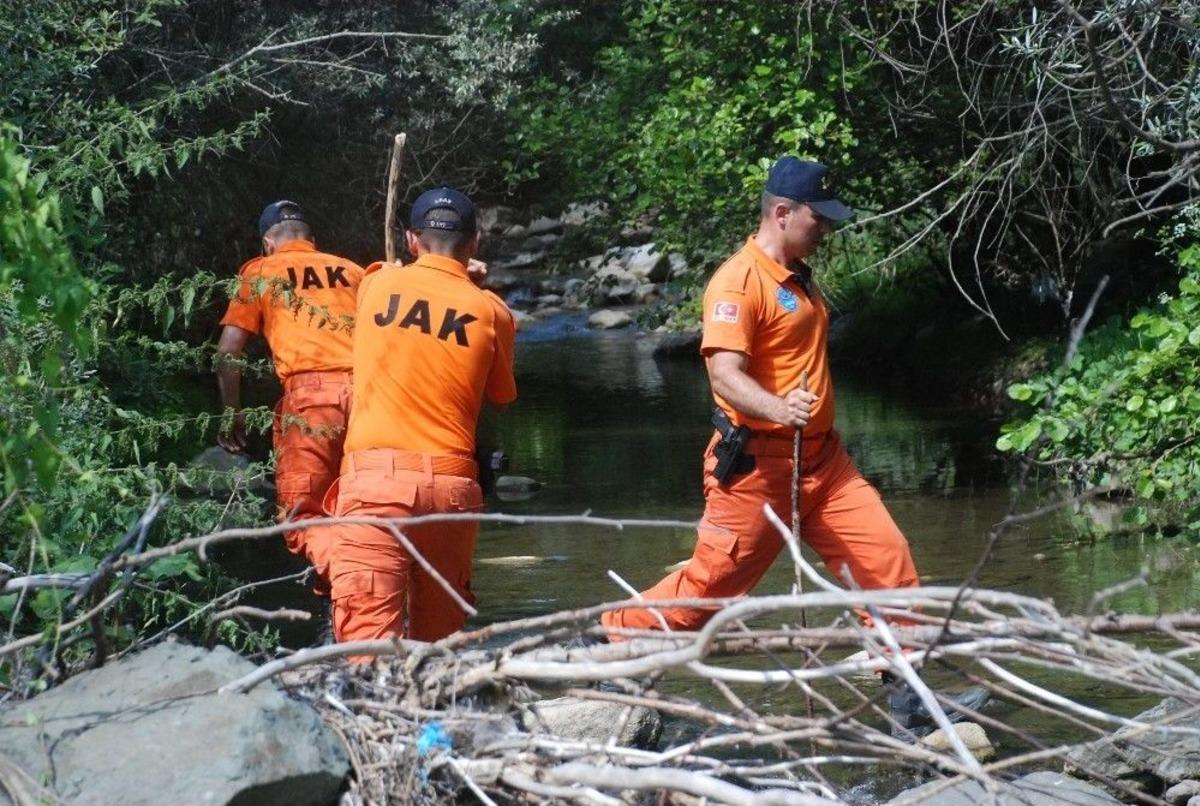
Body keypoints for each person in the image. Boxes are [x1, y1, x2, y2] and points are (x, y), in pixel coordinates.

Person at [598, 157, 986, 736]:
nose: (826, 230)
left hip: (824, 463)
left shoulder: (798, 273)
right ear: (781, 213)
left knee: (888, 560)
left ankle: (914, 707)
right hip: (757, 467)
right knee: (711, 589)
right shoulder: (737, 282)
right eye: (817, 219)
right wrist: (779, 409)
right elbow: (725, 375)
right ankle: (611, 638)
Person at [325, 186, 516, 644]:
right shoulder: (492, 313)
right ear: (475, 243)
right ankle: (435, 716)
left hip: (377, 486)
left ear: (412, 241)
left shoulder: (374, 284)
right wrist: (476, 287)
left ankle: (377, 716)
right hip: (451, 490)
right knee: (439, 648)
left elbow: (392, 278)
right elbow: (500, 396)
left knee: (367, 648)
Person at [216, 200, 364, 592]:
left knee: (304, 515)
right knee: (365, 512)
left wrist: (232, 413)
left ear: (267, 243)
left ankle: (356, 591)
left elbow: (229, 351)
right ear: (312, 241)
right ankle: (365, 601)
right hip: (372, 398)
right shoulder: (351, 270)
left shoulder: (260, 272)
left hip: (312, 403)